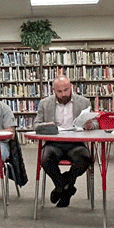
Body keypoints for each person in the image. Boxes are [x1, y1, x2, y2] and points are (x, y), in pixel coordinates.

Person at [33, 75, 93, 207]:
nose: (64, 94)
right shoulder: (45, 103)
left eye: (66, 90)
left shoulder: (84, 102)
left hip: (76, 143)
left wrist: (91, 125)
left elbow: (95, 122)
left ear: (71, 87)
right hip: (54, 143)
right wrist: (46, 126)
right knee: (44, 159)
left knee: (84, 159)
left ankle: (62, 186)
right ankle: (66, 189)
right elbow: (35, 125)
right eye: (60, 91)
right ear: (53, 90)